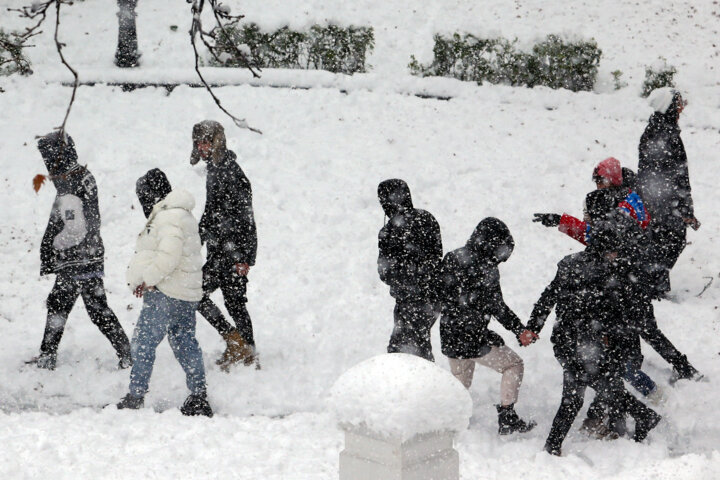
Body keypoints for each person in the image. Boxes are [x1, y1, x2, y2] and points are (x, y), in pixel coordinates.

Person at [526, 227, 661, 455]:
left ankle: (553, 446)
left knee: (592, 388)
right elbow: (614, 313)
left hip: (568, 341)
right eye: (614, 251)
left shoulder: (570, 263)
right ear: (604, 251)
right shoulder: (608, 274)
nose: (616, 255)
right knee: (587, 389)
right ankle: (643, 416)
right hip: (586, 344)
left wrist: (533, 326)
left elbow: (549, 296)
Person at [28, 131, 131, 370]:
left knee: (68, 306)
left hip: (76, 259)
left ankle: (47, 356)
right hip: (90, 254)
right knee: (83, 307)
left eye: (48, 158)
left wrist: (55, 246)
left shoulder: (69, 187)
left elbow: (75, 228)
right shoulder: (83, 174)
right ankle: (126, 352)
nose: (47, 165)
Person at [117, 169, 212, 417]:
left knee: (143, 343)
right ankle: (199, 395)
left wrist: (148, 280)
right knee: (185, 343)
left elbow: (169, 255)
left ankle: (135, 396)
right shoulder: (182, 214)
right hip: (185, 294)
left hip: (165, 292)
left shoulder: (168, 217)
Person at [438, 217, 536, 435]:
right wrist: (519, 330)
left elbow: (442, 297)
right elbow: (497, 306)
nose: (501, 259)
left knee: (459, 384)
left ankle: (446, 425)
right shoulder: (487, 268)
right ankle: (507, 415)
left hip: (450, 335)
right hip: (474, 339)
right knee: (513, 365)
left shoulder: (453, 257)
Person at [190, 120, 258, 370]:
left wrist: (245, 257)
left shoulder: (232, 172)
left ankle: (244, 348)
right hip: (220, 250)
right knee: (215, 297)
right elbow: (210, 213)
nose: (201, 146)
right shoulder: (216, 170)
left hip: (232, 251)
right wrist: (194, 241)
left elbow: (246, 218)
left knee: (225, 300)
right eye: (198, 142)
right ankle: (239, 344)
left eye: (206, 141)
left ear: (217, 142)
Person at [637, 88, 700, 296]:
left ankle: (652, 283)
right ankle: (652, 285)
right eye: (679, 103)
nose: (682, 107)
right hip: (664, 201)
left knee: (660, 240)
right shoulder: (667, 134)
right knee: (670, 239)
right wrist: (684, 209)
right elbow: (678, 176)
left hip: (656, 199)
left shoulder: (656, 130)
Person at [377, 179, 442, 362]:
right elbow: (436, 259)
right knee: (419, 346)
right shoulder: (427, 218)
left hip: (409, 301)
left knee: (403, 352)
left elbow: (385, 272)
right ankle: (424, 382)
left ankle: (419, 387)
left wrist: (405, 279)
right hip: (433, 298)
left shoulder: (388, 231)